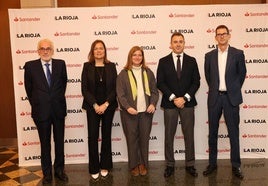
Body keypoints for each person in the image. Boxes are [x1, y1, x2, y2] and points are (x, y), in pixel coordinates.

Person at [203, 25, 246, 179]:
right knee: (212, 133)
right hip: (215, 98)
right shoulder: (209, 56)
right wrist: (217, 89)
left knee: (233, 133)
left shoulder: (238, 54)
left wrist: (232, 90)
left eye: (224, 34)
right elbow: (209, 77)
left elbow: (241, 75)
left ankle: (236, 165)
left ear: (229, 36)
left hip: (231, 98)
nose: (221, 36)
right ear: (215, 37)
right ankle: (212, 164)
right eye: (218, 34)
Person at [24, 39, 68, 184]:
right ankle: (47, 173)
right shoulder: (30, 66)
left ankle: (59, 170)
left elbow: (63, 84)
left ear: (52, 50)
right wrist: (39, 103)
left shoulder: (60, 64)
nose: (45, 51)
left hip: (58, 109)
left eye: (48, 48)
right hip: (41, 111)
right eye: (42, 48)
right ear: (38, 51)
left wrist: (54, 99)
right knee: (45, 143)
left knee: (59, 142)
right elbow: (29, 90)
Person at [157, 32, 200, 178]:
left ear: (184, 43)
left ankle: (190, 164)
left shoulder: (192, 60)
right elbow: (160, 82)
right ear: (171, 44)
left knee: (189, 134)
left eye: (181, 41)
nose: (178, 44)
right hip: (170, 103)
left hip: (187, 104)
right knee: (169, 135)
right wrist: (174, 98)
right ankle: (169, 165)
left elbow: (196, 82)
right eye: (175, 41)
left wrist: (185, 98)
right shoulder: (163, 61)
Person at [116, 46, 159, 176]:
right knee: (131, 139)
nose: (137, 57)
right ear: (130, 57)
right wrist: (127, 107)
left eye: (139, 55)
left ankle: (143, 164)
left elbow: (154, 91)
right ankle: (134, 165)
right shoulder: (123, 74)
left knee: (144, 139)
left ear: (142, 57)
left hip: (146, 112)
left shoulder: (148, 72)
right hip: (129, 113)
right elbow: (120, 94)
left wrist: (152, 103)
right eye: (134, 55)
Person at [81, 40, 118, 181]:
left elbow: (115, 88)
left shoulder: (111, 66)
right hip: (92, 107)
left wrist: (106, 104)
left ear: (105, 51)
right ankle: (94, 168)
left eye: (101, 48)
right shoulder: (87, 66)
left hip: (108, 106)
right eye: (96, 49)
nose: (98, 51)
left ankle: (105, 166)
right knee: (93, 137)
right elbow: (84, 89)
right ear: (92, 51)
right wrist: (96, 105)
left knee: (106, 135)